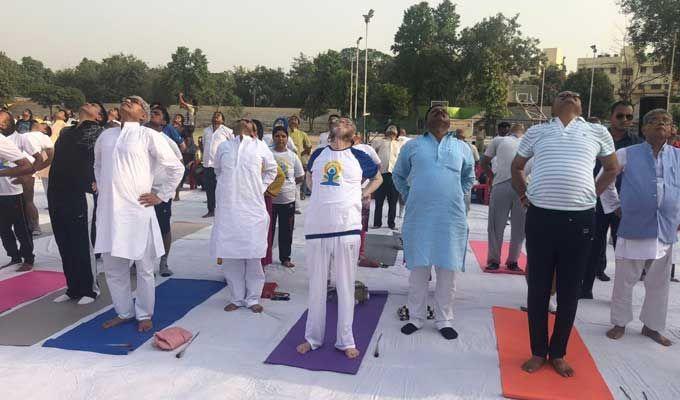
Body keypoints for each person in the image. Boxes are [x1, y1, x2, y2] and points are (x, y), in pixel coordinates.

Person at [510, 90, 619, 377]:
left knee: (570, 289)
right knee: (538, 287)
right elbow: (517, 167)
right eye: (563, 94)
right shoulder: (538, 131)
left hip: (580, 217)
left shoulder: (596, 131)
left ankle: (557, 353)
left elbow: (612, 168)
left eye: (575, 94)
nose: (569, 95)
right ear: (553, 104)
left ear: (581, 105)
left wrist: (592, 193)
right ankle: (537, 351)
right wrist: (524, 195)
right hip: (541, 216)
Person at [94, 95, 184, 332]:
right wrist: (104, 189)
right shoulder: (105, 136)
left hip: (137, 210)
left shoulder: (149, 136)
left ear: (143, 115)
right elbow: (98, 166)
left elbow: (176, 167)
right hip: (109, 211)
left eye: (133, 101)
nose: (126, 101)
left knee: (143, 267)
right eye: (125, 99)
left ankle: (144, 313)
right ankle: (123, 312)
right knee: (113, 267)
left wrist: (161, 195)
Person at [296, 118, 382, 359]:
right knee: (316, 287)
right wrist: (319, 196)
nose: (343, 120)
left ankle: (345, 341)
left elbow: (379, 179)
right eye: (340, 119)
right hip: (317, 227)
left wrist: (362, 194)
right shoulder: (318, 154)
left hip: (347, 228)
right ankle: (312, 338)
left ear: (353, 135)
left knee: (345, 287)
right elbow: (310, 178)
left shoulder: (361, 156)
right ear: (331, 131)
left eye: (348, 121)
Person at [393, 105, 475, 340]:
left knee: (447, 270)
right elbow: (398, 175)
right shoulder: (413, 146)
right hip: (419, 216)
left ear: (450, 122)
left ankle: (444, 319)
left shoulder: (461, 147)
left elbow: (469, 176)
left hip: (450, 217)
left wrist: (457, 194)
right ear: (425, 120)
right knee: (418, 270)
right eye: (434, 112)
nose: (440, 114)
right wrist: (410, 196)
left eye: (444, 113)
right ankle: (416, 318)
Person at [600, 109, 678, 347]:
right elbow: (605, 176)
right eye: (654, 121)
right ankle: (619, 322)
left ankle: (652, 326)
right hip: (634, 225)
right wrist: (614, 205)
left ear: (672, 129)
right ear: (643, 129)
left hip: (665, 228)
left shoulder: (677, 156)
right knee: (625, 278)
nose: (660, 125)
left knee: (659, 281)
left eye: (666, 121)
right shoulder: (626, 153)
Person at [210, 119, 277, 312]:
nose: (245, 121)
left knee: (253, 255)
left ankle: (253, 298)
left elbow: (272, 170)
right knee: (231, 256)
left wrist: (260, 188)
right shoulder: (224, 146)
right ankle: (237, 298)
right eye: (243, 120)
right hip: (228, 208)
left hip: (252, 209)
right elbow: (218, 171)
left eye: (250, 123)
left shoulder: (260, 147)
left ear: (254, 132)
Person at [581, 101, 641, 298]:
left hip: (623, 204)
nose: (625, 120)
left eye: (629, 116)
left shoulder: (637, 143)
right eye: (620, 116)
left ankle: (620, 296)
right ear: (611, 116)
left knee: (622, 250)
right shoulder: (596, 137)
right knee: (591, 244)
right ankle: (585, 289)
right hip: (595, 199)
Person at [49, 102, 107, 305]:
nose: (88, 103)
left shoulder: (100, 133)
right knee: (63, 240)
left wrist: (99, 180)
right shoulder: (66, 131)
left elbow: (106, 160)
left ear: (99, 116)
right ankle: (73, 287)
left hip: (80, 192)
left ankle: (90, 289)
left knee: (82, 241)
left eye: (94, 105)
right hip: (57, 190)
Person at [480, 123, 526, 271]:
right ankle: (513, 261)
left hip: (502, 183)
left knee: (496, 225)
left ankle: (494, 260)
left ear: (510, 131)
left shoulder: (499, 140)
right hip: (524, 186)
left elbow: (484, 162)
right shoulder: (529, 141)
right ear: (523, 131)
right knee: (520, 227)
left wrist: (492, 177)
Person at [147, 105, 183, 277]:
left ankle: (163, 261)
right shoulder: (139, 137)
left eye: (157, 113)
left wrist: (165, 193)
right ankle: (140, 261)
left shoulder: (168, 142)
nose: (152, 115)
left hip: (160, 193)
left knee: (163, 228)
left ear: (164, 121)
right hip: (141, 192)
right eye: (151, 112)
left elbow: (179, 167)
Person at [0, 110, 36, 270]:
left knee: (21, 227)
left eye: (3, 120)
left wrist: (27, 175)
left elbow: (30, 163)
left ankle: (28, 258)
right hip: (1, 191)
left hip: (13, 191)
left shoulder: (15, 139)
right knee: (3, 228)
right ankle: (14, 256)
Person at [269, 126, 304, 268]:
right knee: (267, 230)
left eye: (283, 136)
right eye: (277, 136)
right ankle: (265, 257)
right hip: (270, 199)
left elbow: (300, 176)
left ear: (287, 138)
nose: (280, 139)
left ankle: (285, 258)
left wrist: (287, 186)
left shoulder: (292, 156)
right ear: (273, 138)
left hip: (287, 200)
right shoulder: (267, 154)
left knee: (286, 231)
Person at [352, 131, 383, 267]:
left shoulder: (367, 149)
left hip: (363, 192)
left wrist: (365, 180)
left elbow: (378, 165)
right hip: (345, 193)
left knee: (362, 224)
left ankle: (361, 254)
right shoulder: (336, 149)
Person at [23, 122, 55, 235]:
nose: (40, 123)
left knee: (28, 200)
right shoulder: (22, 135)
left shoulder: (43, 137)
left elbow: (51, 156)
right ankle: (25, 226)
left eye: (44, 125)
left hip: (27, 170)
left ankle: (35, 226)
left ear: (45, 130)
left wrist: (36, 168)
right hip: (14, 168)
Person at [201, 111, 233, 218]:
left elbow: (233, 145)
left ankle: (222, 210)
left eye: (218, 116)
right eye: (214, 115)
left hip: (220, 165)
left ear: (222, 120)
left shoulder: (227, 131)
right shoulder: (206, 130)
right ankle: (211, 210)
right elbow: (204, 144)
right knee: (209, 189)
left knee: (220, 188)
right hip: (207, 164)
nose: (215, 117)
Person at [371, 124, 403, 230]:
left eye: (394, 130)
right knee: (379, 201)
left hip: (394, 175)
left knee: (393, 202)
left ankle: (391, 224)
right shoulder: (379, 141)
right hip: (381, 174)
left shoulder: (400, 144)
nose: (391, 131)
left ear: (397, 133)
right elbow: (372, 153)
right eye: (390, 129)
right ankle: (377, 223)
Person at [37, 110, 68, 194]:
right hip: (46, 151)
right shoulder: (51, 125)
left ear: (65, 117)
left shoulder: (64, 125)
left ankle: (54, 202)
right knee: (45, 178)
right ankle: (49, 202)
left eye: (62, 112)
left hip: (55, 153)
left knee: (52, 178)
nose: (58, 112)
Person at [455, 128, 480, 213]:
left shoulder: (451, 146)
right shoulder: (471, 147)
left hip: (454, 177)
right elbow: (477, 161)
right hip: (466, 177)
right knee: (465, 202)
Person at [288, 115, 312, 201]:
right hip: (288, 159)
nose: (293, 121)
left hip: (300, 159)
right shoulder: (286, 134)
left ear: (298, 123)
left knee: (302, 177)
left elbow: (309, 146)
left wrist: (303, 153)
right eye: (291, 120)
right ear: (288, 123)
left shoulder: (302, 134)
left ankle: (303, 193)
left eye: (295, 120)